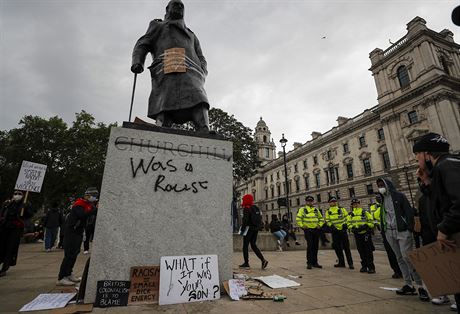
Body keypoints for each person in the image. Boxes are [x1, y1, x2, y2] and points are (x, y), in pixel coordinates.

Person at [131, 0, 210, 131]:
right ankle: (162, 125)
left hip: (192, 71)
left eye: (181, 6)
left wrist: (203, 70)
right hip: (167, 64)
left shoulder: (191, 34)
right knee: (165, 98)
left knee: (199, 97)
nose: (179, 7)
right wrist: (137, 61)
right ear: (167, 10)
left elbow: (201, 55)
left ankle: (204, 127)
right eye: (175, 5)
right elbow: (143, 43)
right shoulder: (158, 25)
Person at [413, 132, 460, 311]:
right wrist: (426, 181)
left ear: (426, 153)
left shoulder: (446, 166)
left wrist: (443, 229)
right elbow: (441, 201)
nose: (417, 160)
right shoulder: (448, 165)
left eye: (417, 155)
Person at [376, 178, 429, 301]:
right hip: (390, 231)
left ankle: (421, 286)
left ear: (387, 185)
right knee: (399, 258)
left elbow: (408, 212)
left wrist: (409, 228)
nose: (380, 187)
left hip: (402, 231)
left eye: (381, 185)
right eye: (378, 186)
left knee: (408, 258)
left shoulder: (399, 196)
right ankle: (408, 285)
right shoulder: (382, 199)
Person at [57, 188, 98, 286]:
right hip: (72, 232)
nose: (95, 198)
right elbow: (82, 215)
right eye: (94, 196)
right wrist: (94, 209)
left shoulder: (88, 205)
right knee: (69, 254)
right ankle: (62, 277)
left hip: (78, 231)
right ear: (88, 195)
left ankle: (68, 273)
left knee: (74, 253)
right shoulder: (79, 204)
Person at [0, 190, 35, 277]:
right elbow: (2, 213)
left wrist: (25, 208)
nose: (17, 195)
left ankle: (5, 267)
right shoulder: (7, 203)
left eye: (19, 194)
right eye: (15, 193)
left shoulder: (25, 204)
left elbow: (29, 215)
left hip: (15, 229)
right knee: (1, 246)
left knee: (10, 247)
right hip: (5, 227)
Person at [372, 195, 402, 279]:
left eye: (380, 197)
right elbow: (375, 217)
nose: (378, 198)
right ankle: (396, 270)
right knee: (390, 252)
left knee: (400, 252)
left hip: (395, 231)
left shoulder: (391, 204)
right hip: (385, 232)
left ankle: (407, 271)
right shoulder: (379, 208)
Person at [239, 194, 268, 269]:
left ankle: (246, 263)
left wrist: (242, 229)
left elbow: (245, 220)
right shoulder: (255, 207)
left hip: (248, 229)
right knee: (253, 245)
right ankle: (263, 260)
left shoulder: (246, 208)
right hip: (255, 229)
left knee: (245, 246)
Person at [325, 196, 354, 269]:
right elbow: (328, 220)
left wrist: (345, 225)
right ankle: (341, 263)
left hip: (343, 231)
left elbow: (347, 217)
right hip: (335, 232)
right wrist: (332, 227)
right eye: (332, 201)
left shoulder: (342, 209)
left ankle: (350, 263)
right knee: (337, 248)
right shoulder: (328, 211)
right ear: (329, 203)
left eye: (334, 201)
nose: (334, 202)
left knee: (346, 248)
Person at [348, 198, 375, 274]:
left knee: (368, 251)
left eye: (356, 203)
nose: (355, 205)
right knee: (361, 251)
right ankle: (364, 266)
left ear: (359, 204)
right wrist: (352, 228)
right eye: (353, 204)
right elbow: (348, 223)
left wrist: (366, 226)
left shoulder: (365, 212)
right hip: (357, 234)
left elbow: (371, 222)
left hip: (365, 234)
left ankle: (371, 267)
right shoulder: (351, 214)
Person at [296, 195, 324, 269]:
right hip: (308, 230)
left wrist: (319, 225)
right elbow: (298, 219)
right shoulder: (303, 209)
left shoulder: (316, 210)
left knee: (315, 247)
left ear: (313, 202)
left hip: (316, 230)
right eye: (308, 201)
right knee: (310, 246)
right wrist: (302, 226)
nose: (310, 202)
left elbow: (321, 219)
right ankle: (309, 263)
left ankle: (315, 262)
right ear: (306, 202)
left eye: (311, 201)